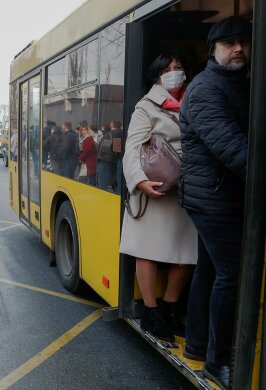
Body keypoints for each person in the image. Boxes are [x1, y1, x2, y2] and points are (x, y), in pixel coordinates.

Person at [179, 16, 251, 388]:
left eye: (244, 41)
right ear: (213, 50)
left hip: (220, 194)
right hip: (214, 198)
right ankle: (217, 361)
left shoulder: (239, 83)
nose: (238, 48)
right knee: (233, 274)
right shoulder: (206, 88)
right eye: (229, 43)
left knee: (209, 270)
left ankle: (196, 344)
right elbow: (235, 151)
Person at [120, 51, 197, 344]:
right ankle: (151, 312)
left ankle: (168, 308)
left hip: (187, 189)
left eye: (179, 67)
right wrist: (139, 181)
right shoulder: (146, 106)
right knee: (148, 251)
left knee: (186, 254)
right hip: (155, 189)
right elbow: (131, 148)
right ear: (157, 76)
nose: (174, 73)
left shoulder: (194, 100)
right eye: (168, 69)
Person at [97, 124, 116, 191]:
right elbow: (117, 151)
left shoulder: (107, 135)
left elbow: (99, 149)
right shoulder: (120, 134)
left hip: (105, 161)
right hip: (113, 162)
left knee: (103, 185)